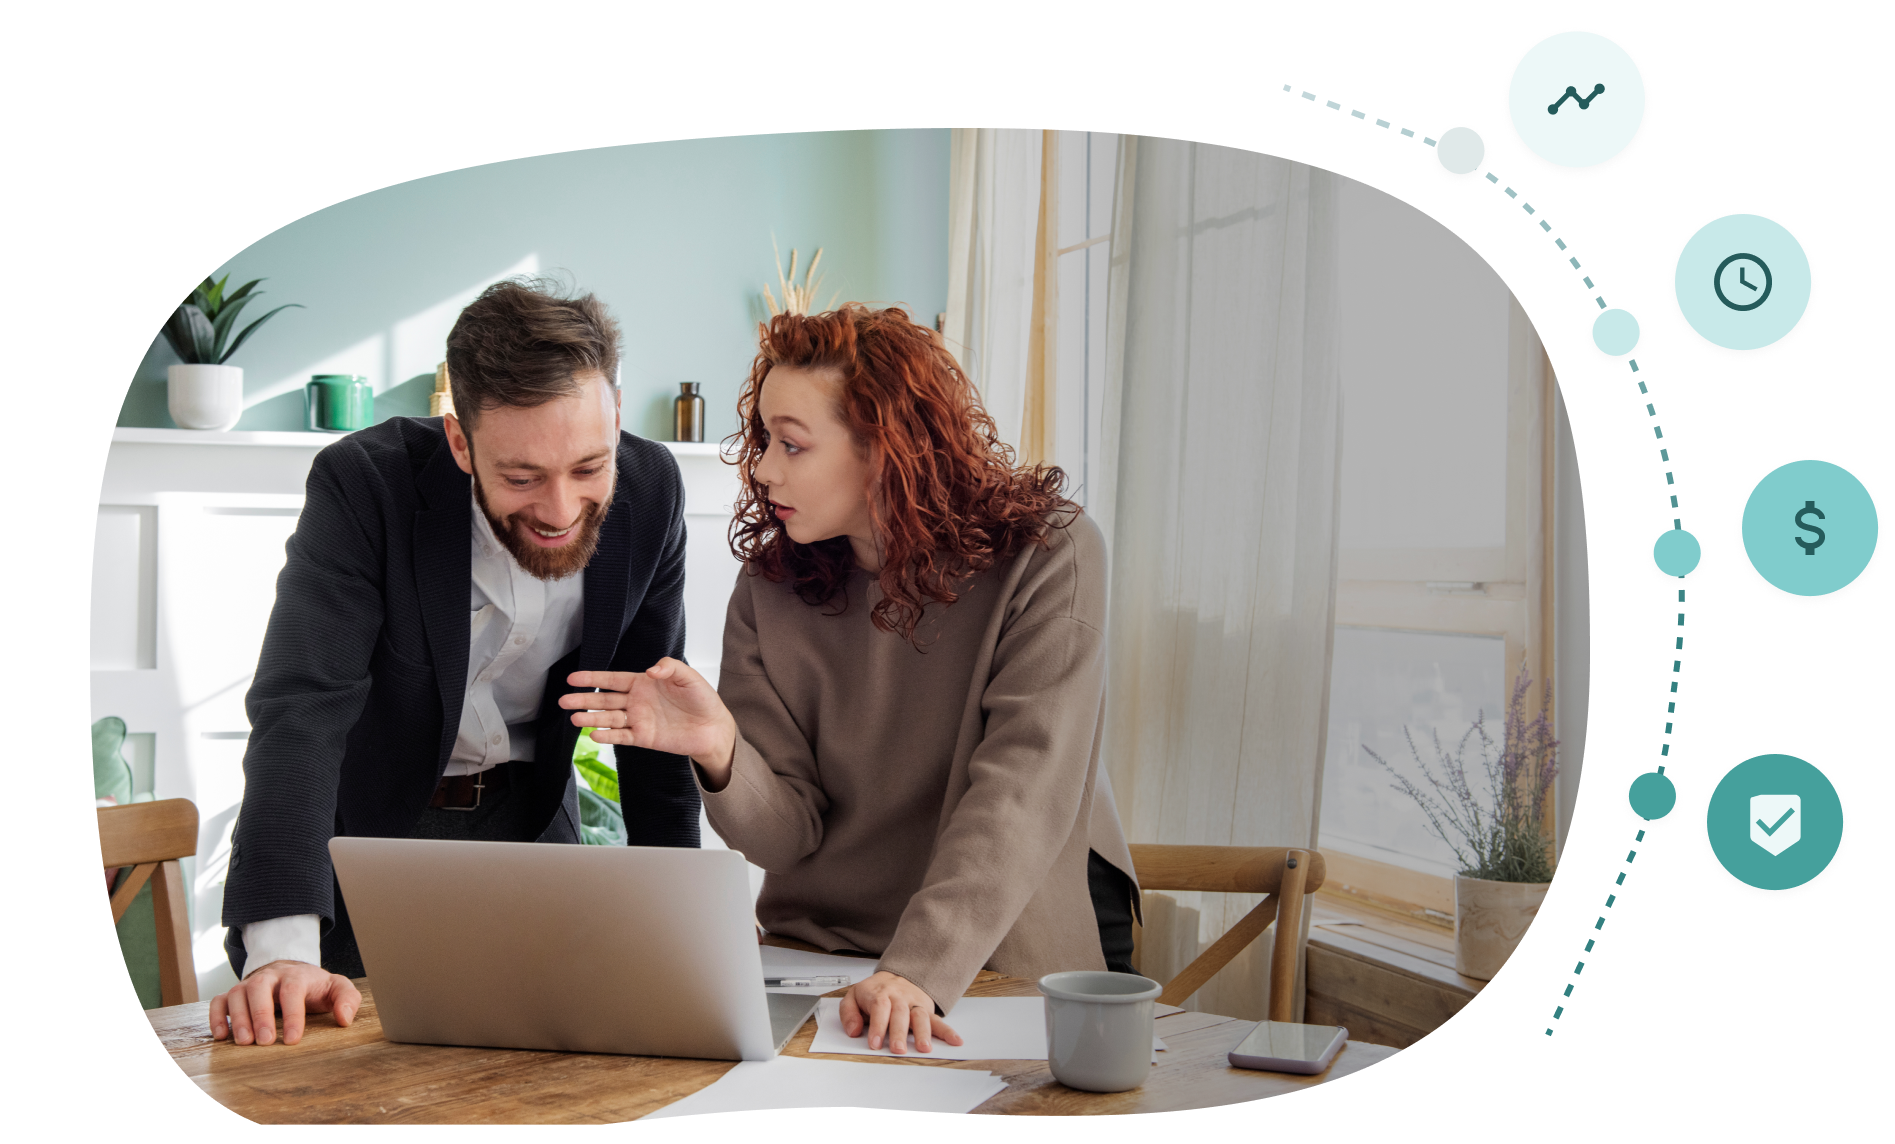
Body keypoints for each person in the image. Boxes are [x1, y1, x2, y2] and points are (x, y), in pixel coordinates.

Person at [563, 303, 1139, 1056]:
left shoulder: (1049, 554)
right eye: (764, 439)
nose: (763, 467)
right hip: (817, 963)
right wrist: (722, 750)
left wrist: (916, 972)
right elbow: (788, 834)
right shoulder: (769, 590)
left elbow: (1020, 794)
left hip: (990, 958)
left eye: (791, 444)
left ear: (884, 447)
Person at [209, 279, 701, 1046]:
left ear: (614, 413)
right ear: (460, 442)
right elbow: (301, 707)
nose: (562, 509)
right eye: (521, 477)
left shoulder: (652, 490)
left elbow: (652, 720)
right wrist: (280, 953)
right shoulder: (364, 486)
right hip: (371, 837)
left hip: (533, 825)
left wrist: (683, 935)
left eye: (587, 467)